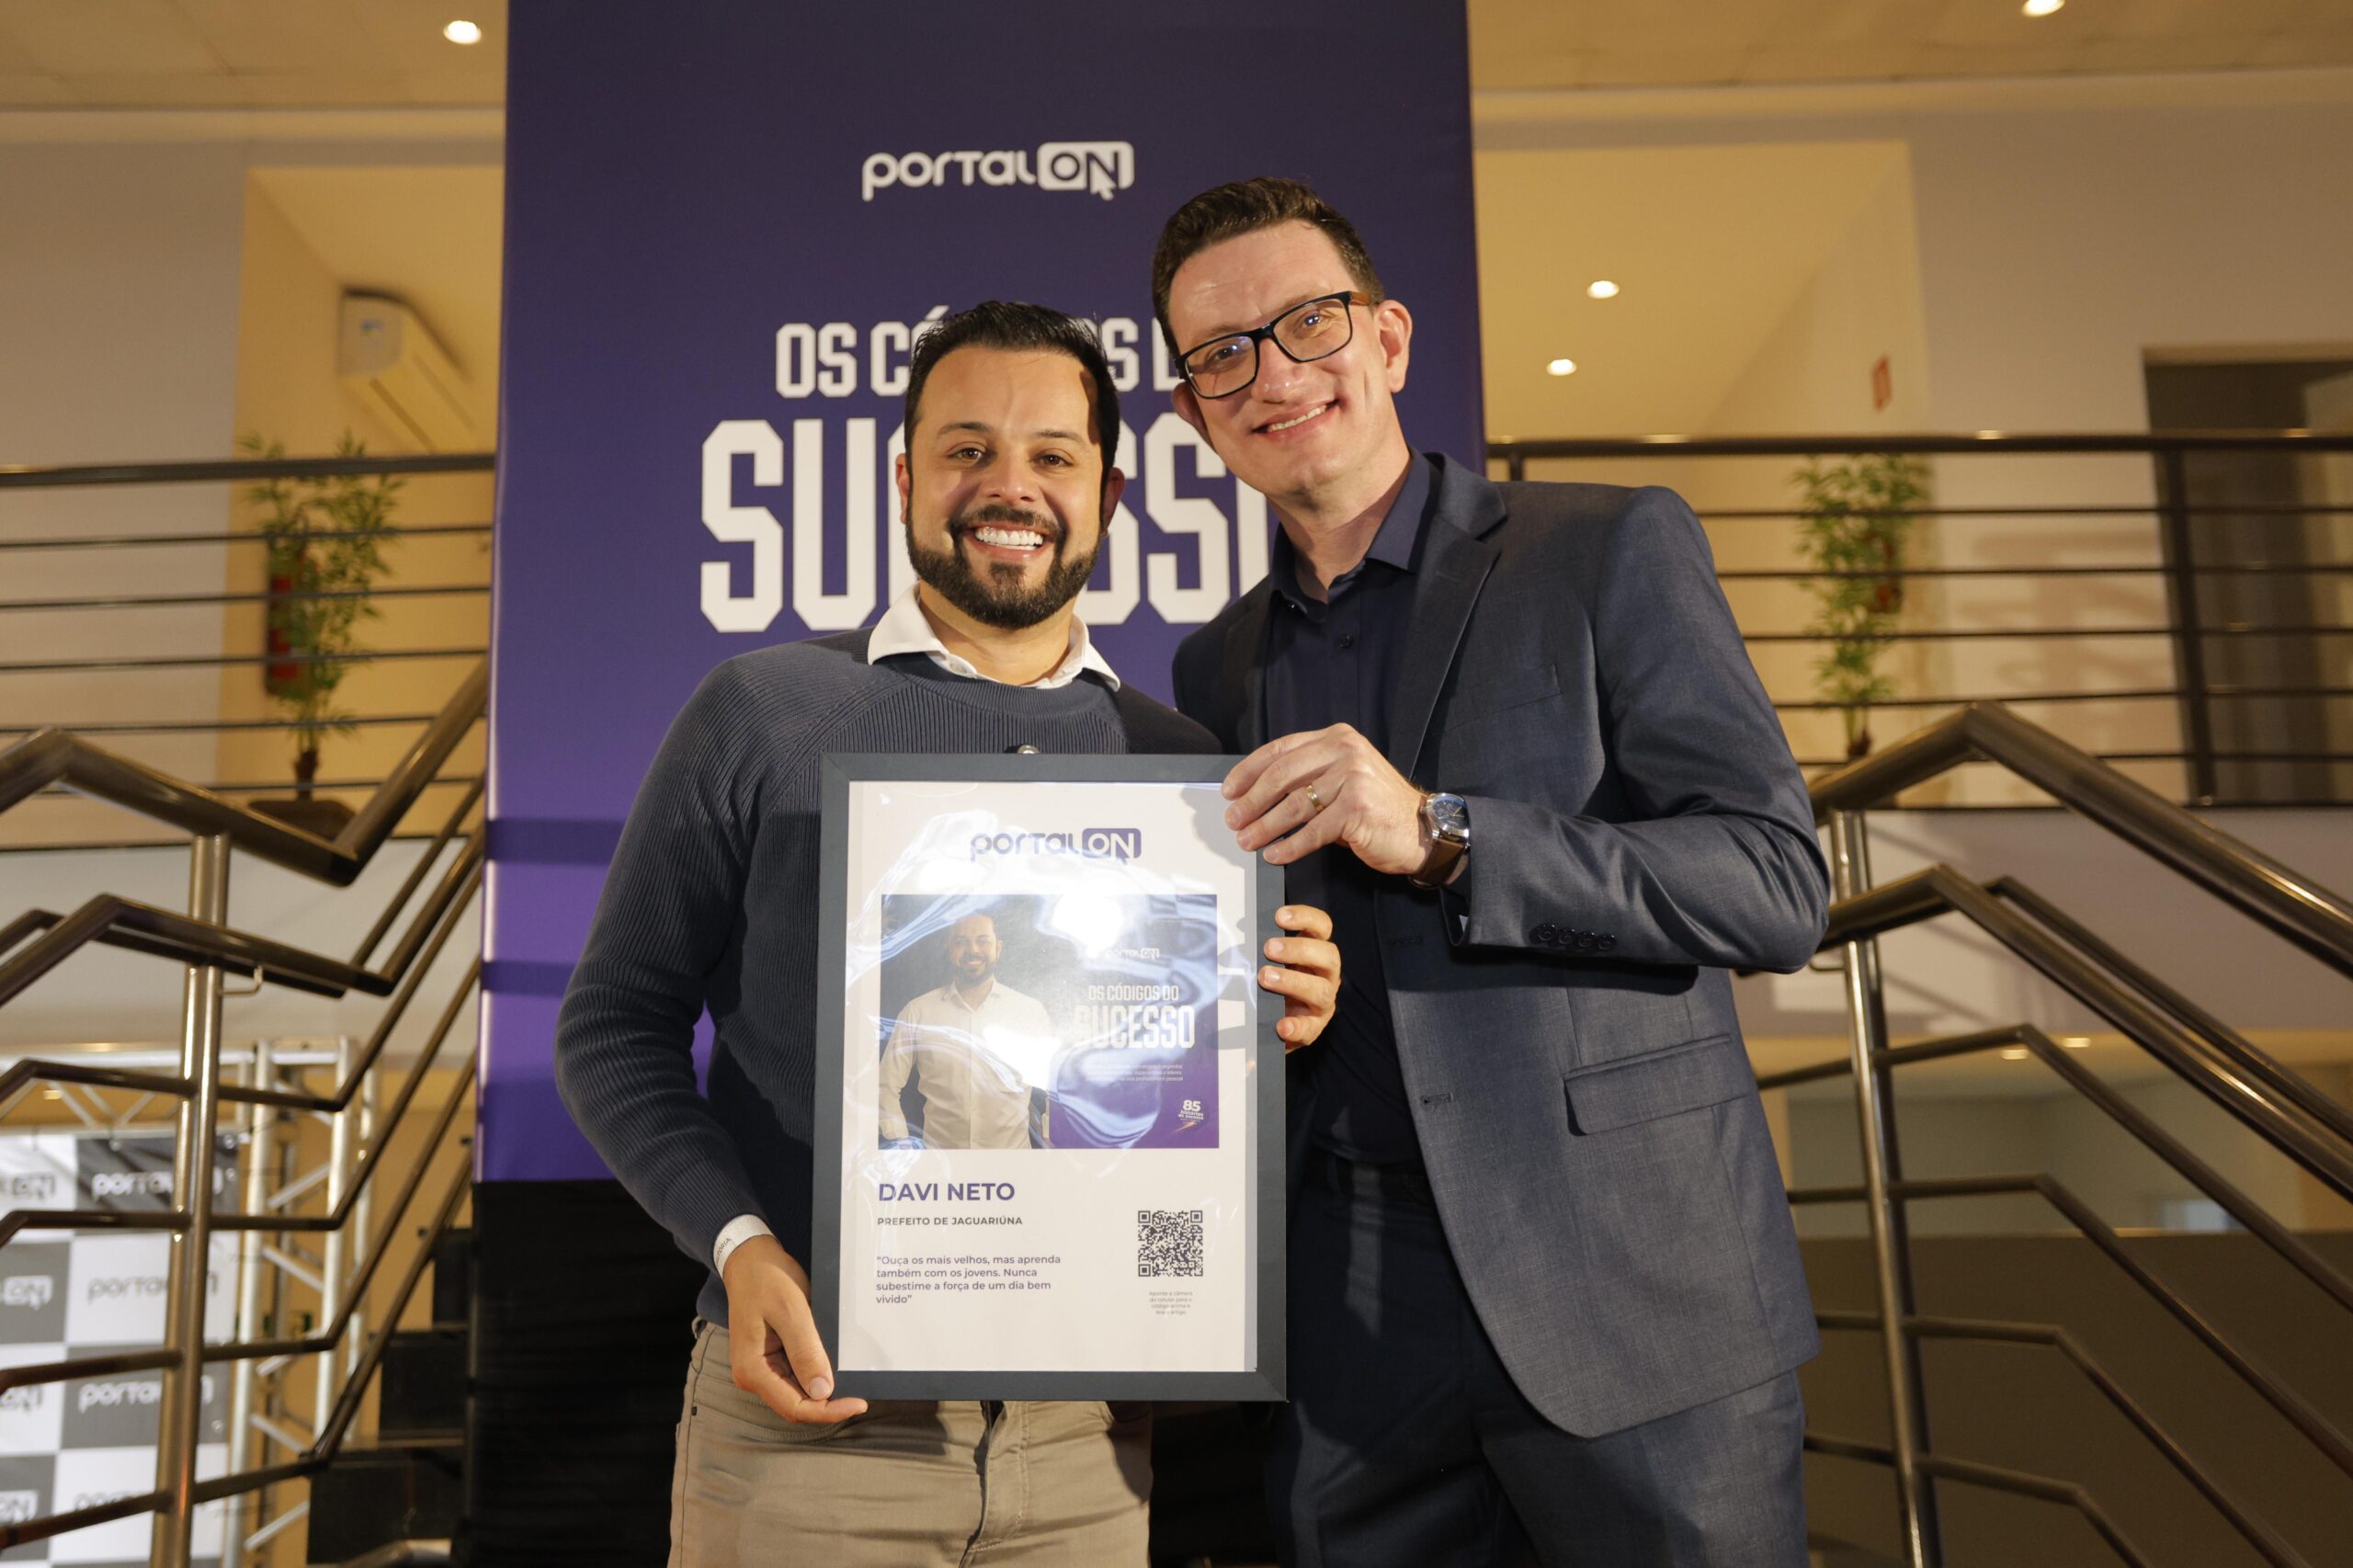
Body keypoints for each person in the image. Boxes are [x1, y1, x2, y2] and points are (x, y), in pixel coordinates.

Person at [553, 299, 1342, 1567]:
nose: (1008, 486)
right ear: (906, 479)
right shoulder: (763, 711)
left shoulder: (1183, 768)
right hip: (812, 1424)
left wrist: (1283, 1021)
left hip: (1090, 1447)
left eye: (1051, 455)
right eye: (967, 449)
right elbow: (611, 1026)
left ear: (1108, 494)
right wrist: (739, 1244)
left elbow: (1167, 1104)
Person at [1156, 177, 1832, 1567]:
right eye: (1222, 353)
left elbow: (1771, 882)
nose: (1273, 373)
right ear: (1193, 411)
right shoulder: (1212, 664)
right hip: (1348, 1323)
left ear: (1389, 337)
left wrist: (1445, 831)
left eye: (1307, 322)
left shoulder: (1603, 545)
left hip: (1631, 1289)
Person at [877, 911, 1057, 1150]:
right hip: (941, 1166)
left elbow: (1056, 1088)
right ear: (949, 949)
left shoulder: (1030, 1011)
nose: (973, 950)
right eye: (961, 942)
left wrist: (1052, 1137)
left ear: (998, 948)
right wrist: (900, 1142)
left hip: (1013, 1163)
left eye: (982, 941)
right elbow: (885, 1085)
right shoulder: (917, 1012)